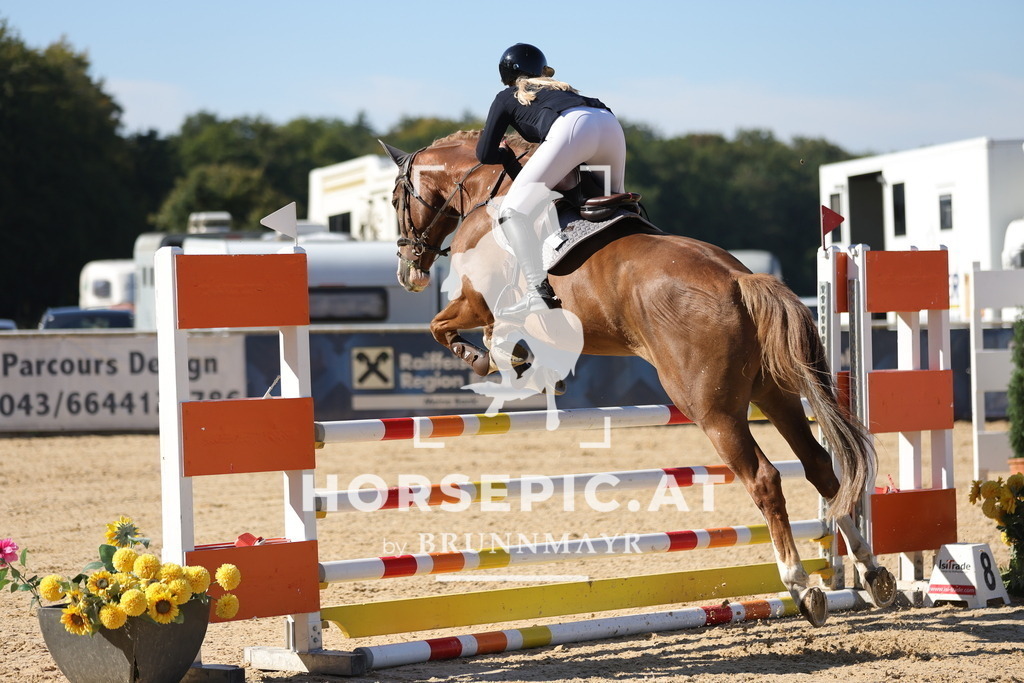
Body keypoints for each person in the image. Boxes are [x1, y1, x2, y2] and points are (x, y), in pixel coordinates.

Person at [476, 43, 627, 317]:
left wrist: (506, 154)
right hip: (608, 123)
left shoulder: (506, 96)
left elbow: (484, 154)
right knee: (618, 200)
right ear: (541, 71)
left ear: (505, 75)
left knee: (511, 212)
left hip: (573, 128)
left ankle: (536, 292)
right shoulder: (563, 89)